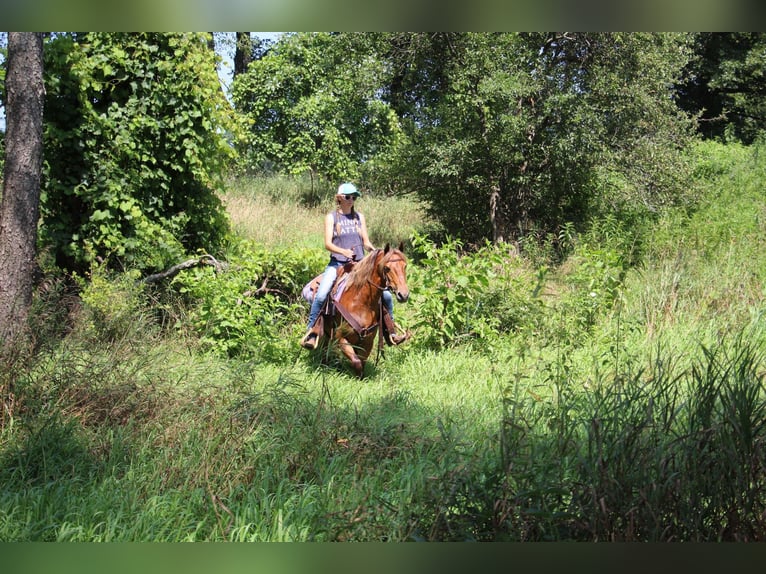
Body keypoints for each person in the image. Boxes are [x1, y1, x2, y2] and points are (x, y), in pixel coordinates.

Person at [301, 182, 408, 350]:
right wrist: (343, 252)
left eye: (354, 197)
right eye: (348, 197)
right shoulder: (332, 218)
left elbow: (365, 242)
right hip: (337, 264)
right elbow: (328, 244)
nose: (352, 200)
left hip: (360, 265)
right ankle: (312, 333)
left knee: (386, 296)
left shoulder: (359, 217)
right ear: (340, 198)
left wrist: (375, 251)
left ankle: (391, 332)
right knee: (322, 294)